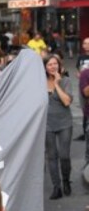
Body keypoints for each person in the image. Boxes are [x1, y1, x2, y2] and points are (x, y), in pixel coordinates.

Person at [44, 54, 74, 200]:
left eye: (55, 64)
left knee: (64, 155)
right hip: (47, 124)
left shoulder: (66, 81)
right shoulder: (39, 82)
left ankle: (66, 180)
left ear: (59, 66)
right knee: (51, 156)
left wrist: (56, 84)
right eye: (49, 64)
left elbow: (67, 102)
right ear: (45, 67)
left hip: (64, 123)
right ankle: (57, 187)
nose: (52, 67)